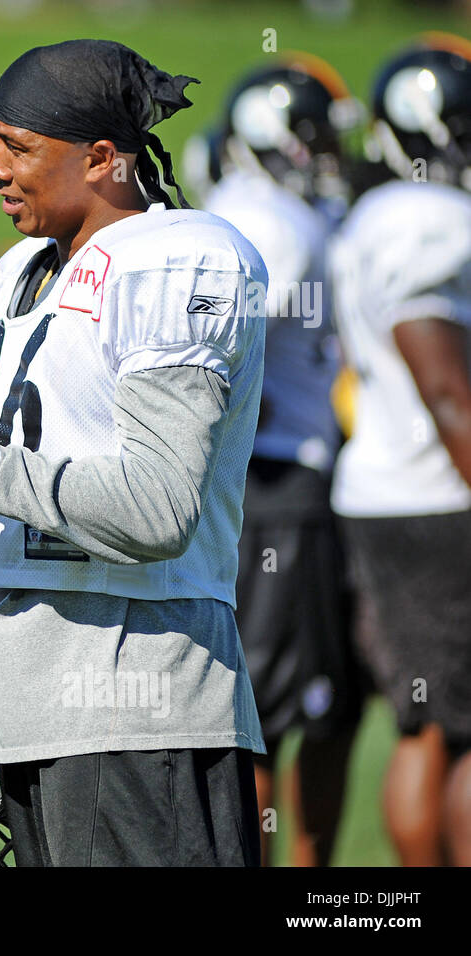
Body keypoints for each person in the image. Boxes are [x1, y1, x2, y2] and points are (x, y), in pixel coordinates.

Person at [0, 39, 266, 866]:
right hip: (36, 704)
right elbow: (18, 542)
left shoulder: (173, 259)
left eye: (17, 146)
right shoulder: (25, 268)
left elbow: (157, 509)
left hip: (140, 697)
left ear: (101, 158)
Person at [203, 56, 363, 866]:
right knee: (269, 711)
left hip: (258, 483)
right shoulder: (273, 223)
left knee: (277, 706)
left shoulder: (247, 208)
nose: (329, 149)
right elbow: (228, 368)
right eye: (314, 135)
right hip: (277, 482)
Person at [329, 34, 471, 867]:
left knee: (425, 723)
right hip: (442, 494)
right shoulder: (432, 220)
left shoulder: (379, 214)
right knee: (457, 727)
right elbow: (446, 384)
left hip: (384, 491)